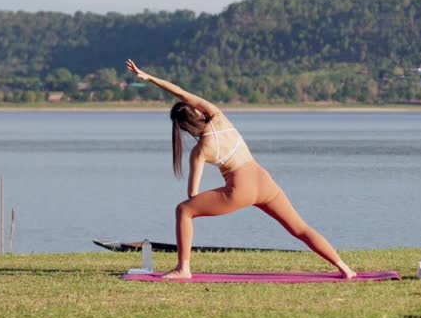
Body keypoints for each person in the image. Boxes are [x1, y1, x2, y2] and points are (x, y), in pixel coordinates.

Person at [125, 60, 356, 280]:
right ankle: (344, 268)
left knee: (184, 211)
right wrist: (149, 77)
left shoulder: (199, 151)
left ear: (184, 127)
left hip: (239, 189)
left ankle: (183, 268)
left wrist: (214, 196)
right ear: (196, 112)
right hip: (263, 179)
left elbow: (192, 196)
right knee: (300, 228)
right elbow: (182, 93)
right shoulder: (218, 117)